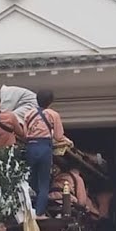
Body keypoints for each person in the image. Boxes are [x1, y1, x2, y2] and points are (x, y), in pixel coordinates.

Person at [23, 90, 65, 219]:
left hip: (30, 147)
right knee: (44, 183)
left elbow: (24, 134)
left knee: (29, 181)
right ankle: (39, 213)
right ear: (51, 102)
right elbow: (58, 136)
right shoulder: (53, 114)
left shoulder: (28, 114)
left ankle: (28, 209)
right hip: (44, 147)